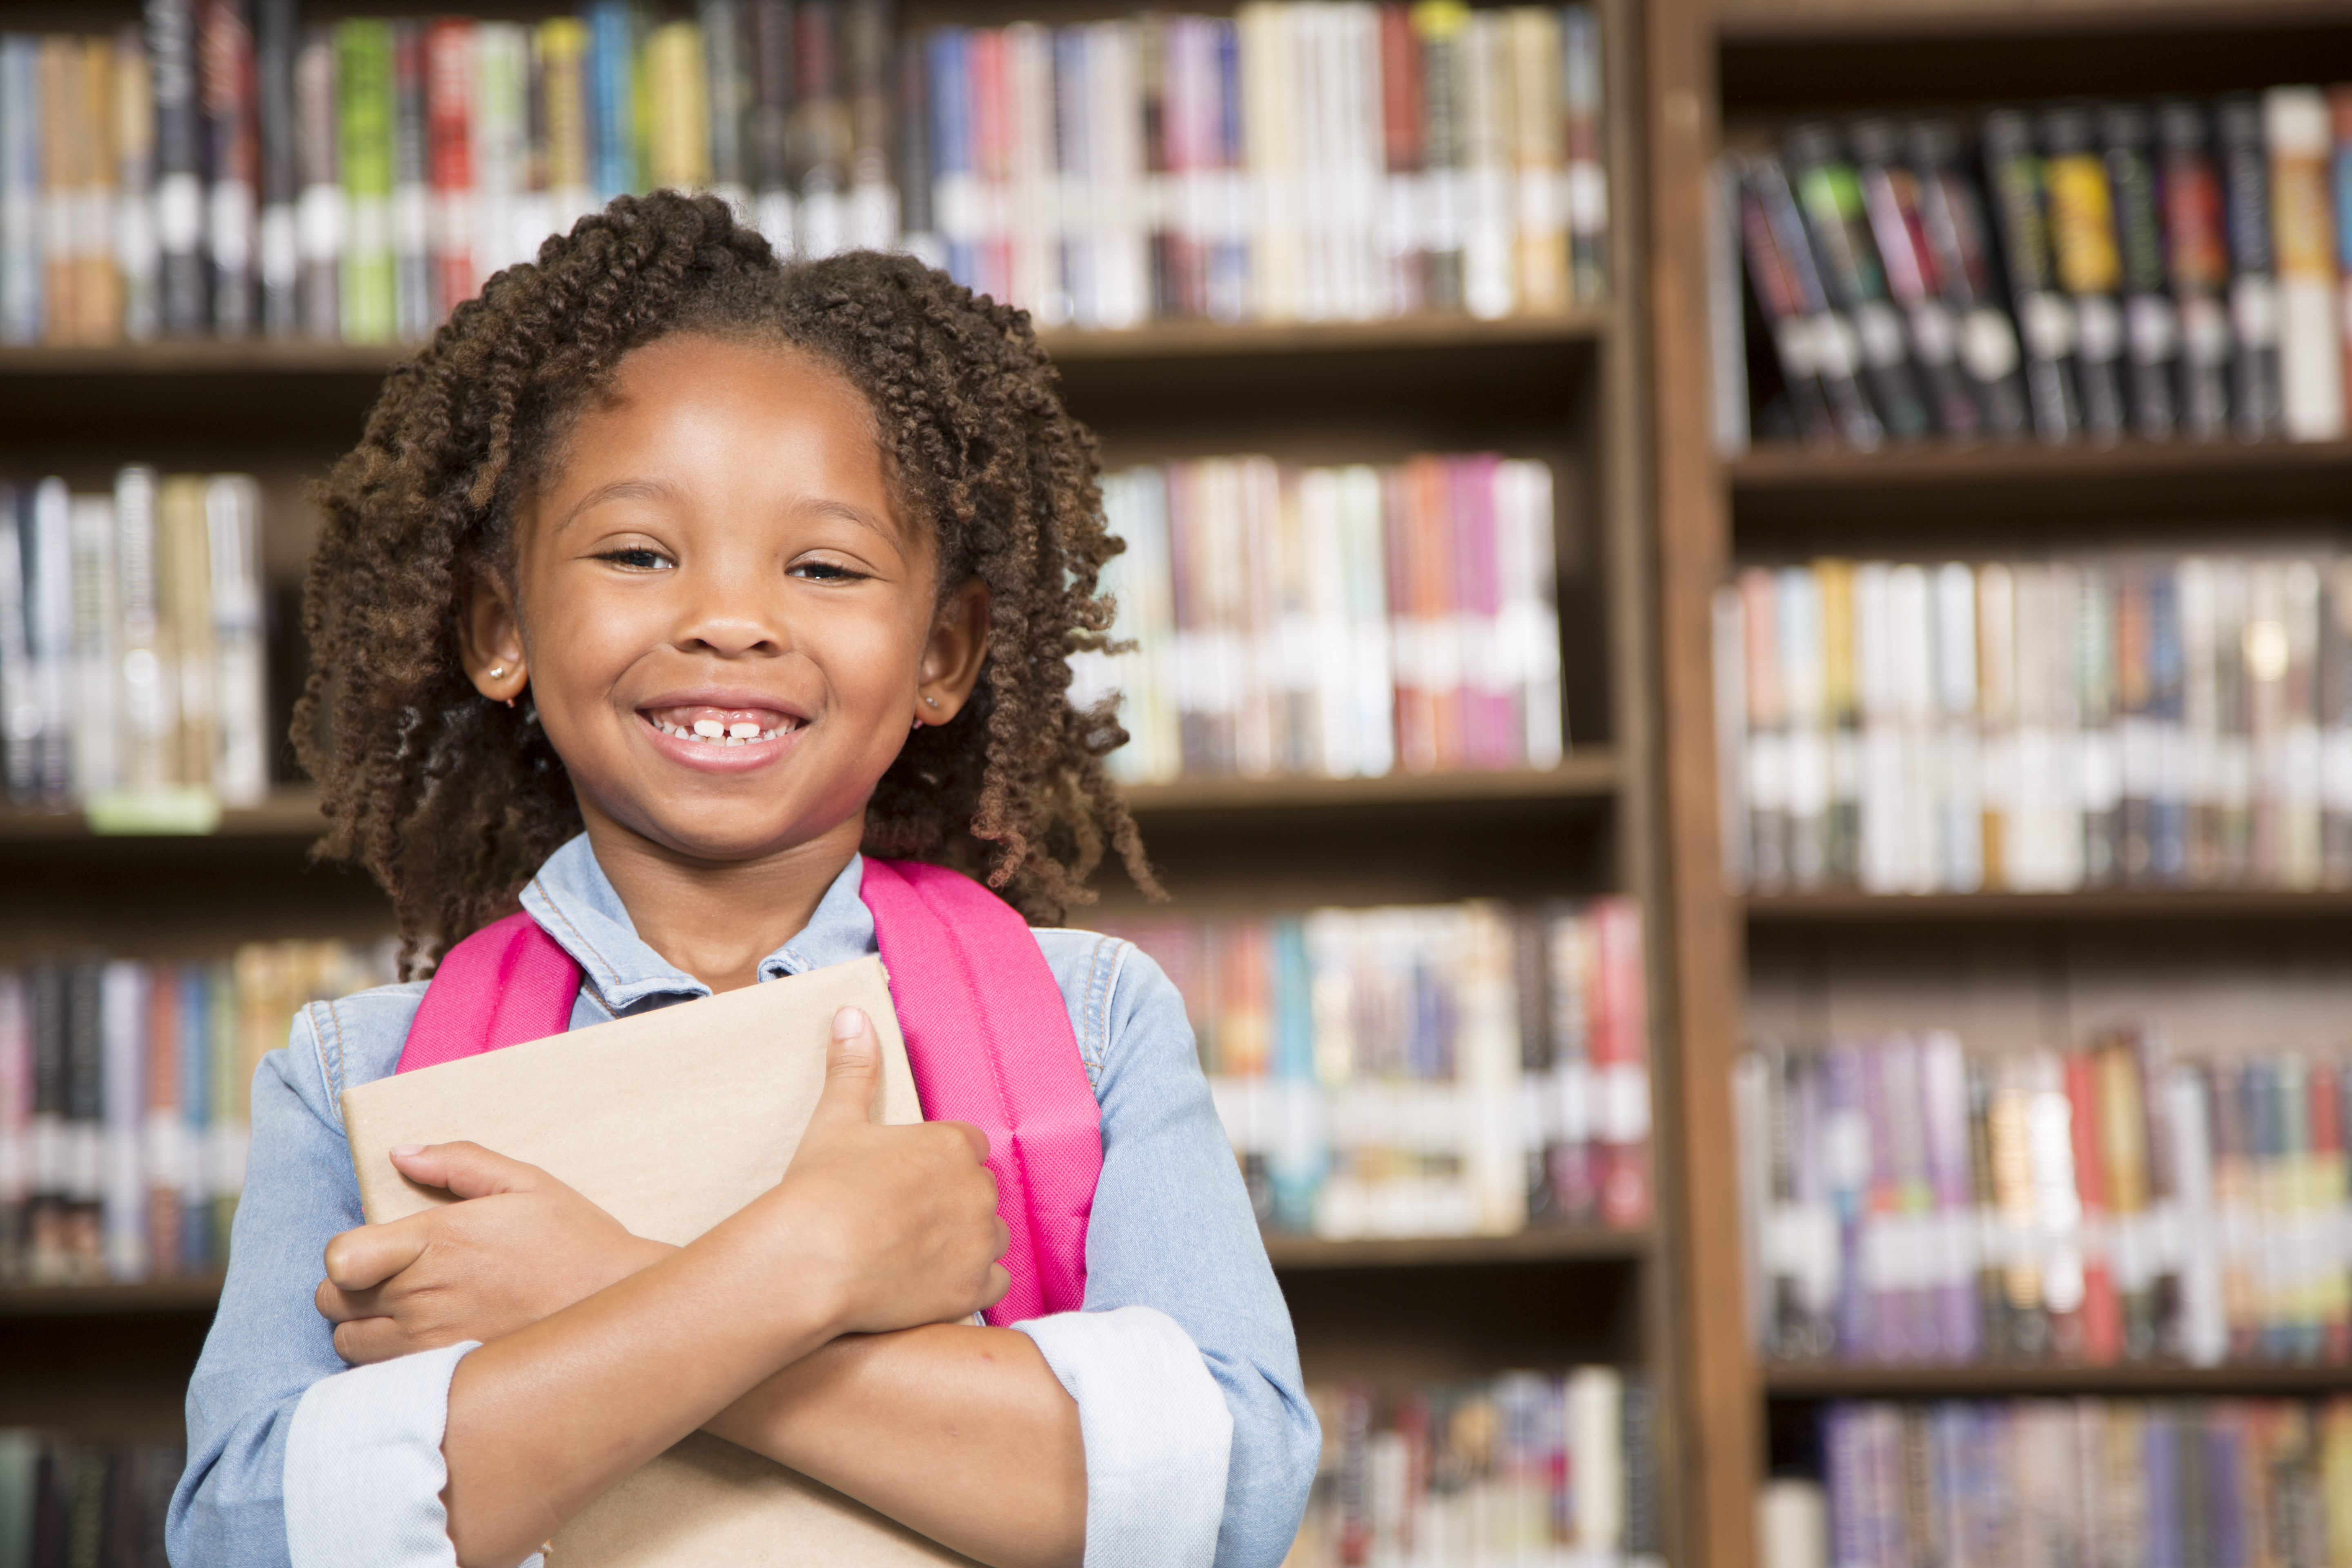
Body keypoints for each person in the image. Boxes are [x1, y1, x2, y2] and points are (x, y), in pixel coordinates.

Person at [168, 191, 1318, 1568]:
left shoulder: (1094, 1023)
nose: (729, 620)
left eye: (825, 566)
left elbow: (1232, 1499)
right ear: (498, 626)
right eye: (638, 553)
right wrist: (802, 1267)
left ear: (943, 656)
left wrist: (594, 1292)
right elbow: (250, 1535)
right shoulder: (358, 1078)